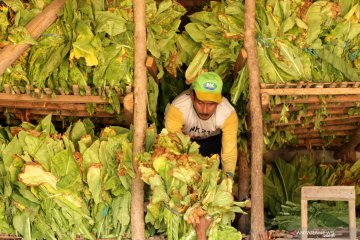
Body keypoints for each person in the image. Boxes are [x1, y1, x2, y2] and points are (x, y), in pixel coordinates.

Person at [164, 71, 238, 239]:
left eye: (211, 104)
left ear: (219, 101)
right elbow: (173, 149)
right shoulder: (178, 108)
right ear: (192, 97)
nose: (205, 109)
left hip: (212, 142)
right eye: (200, 103)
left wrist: (228, 180)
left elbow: (229, 152)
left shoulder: (227, 113)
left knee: (213, 182)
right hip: (184, 145)